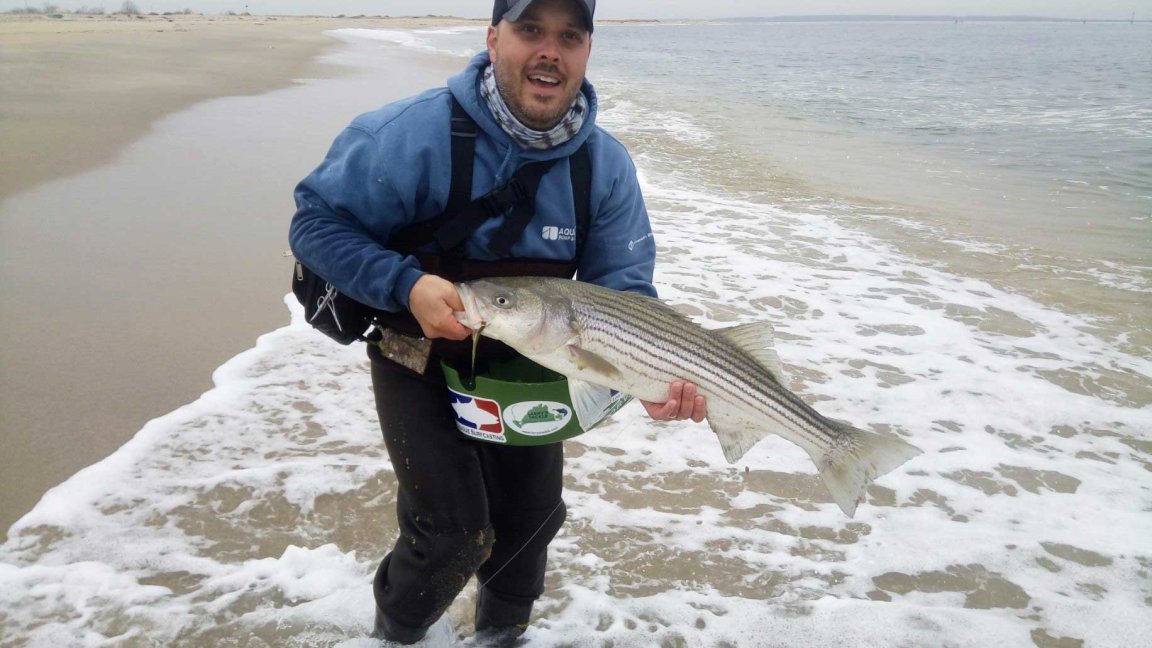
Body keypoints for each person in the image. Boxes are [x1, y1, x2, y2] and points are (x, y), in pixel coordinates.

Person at [289, 0, 706, 643]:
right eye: (530, 29)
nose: (550, 50)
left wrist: (647, 376)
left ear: (587, 52)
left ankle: (501, 635)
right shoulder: (407, 134)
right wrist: (405, 283)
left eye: (570, 36)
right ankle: (396, 633)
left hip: (530, 360)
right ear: (492, 38)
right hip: (416, 352)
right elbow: (314, 223)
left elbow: (623, 295)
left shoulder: (605, 166)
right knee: (454, 530)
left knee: (533, 521)